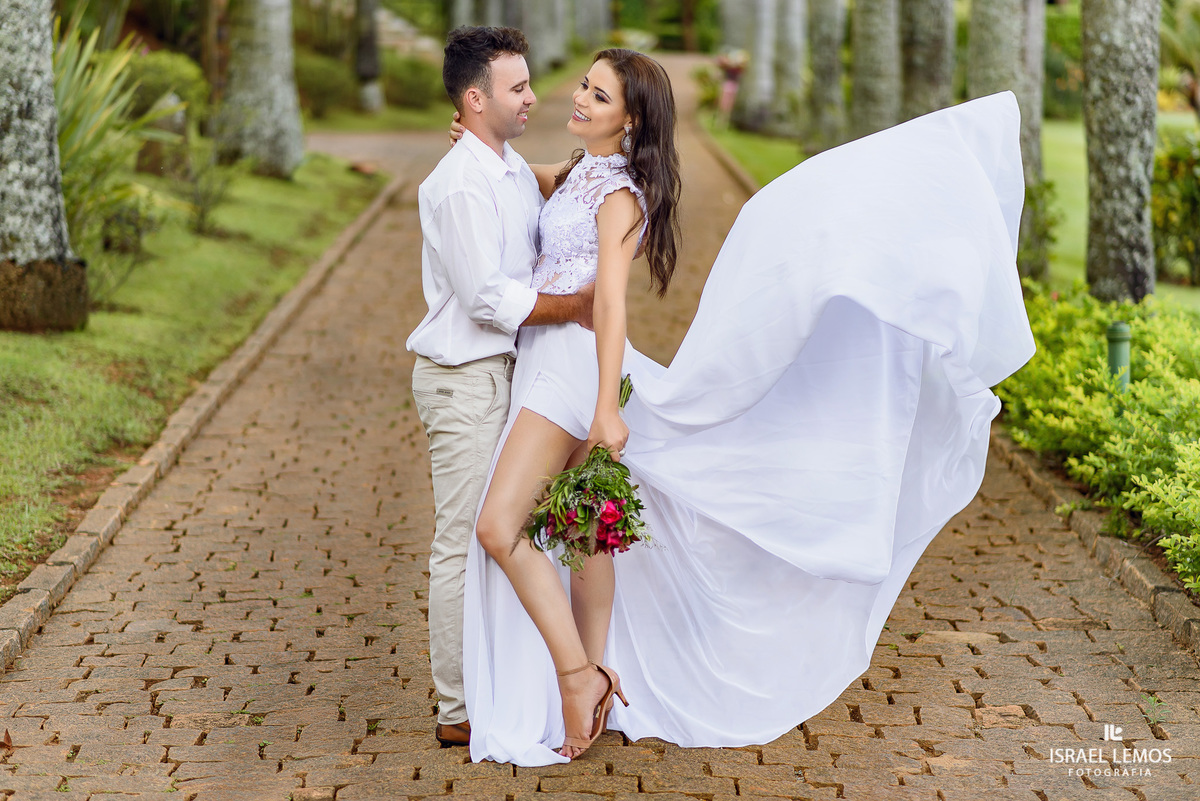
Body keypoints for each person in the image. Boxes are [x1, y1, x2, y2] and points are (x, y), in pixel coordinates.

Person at [455, 51, 1035, 765]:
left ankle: (579, 676)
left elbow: (610, 302)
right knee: (581, 532)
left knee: (498, 525)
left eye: (597, 95)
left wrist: (607, 407)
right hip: (553, 365)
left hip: (571, 373)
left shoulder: (618, 196)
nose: (578, 99)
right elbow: (530, 180)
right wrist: (484, 155)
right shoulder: (579, 173)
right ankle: (596, 675)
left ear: (629, 120)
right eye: (583, 84)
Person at [406, 26, 596, 749]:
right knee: (463, 540)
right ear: (476, 97)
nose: (533, 96)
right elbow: (487, 297)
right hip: (463, 381)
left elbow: (546, 179)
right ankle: (457, 705)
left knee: (503, 532)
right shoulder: (458, 185)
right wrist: (576, 308)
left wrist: (593, 161)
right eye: (517, 88)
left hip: (502, 377)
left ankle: (496, 681)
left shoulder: (503, 164)